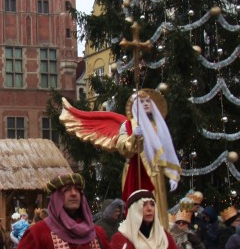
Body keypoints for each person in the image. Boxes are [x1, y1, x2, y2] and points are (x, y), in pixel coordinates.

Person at [59, 90, 180, 228]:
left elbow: (167, 151)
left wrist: (172, 173)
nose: (145, 104)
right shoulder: (128, 125)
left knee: (156, 205)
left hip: (154, 172)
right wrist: (134, 136)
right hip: (135, 171)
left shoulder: (158, 126)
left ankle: (159, 232)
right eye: (142, 102)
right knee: (136, 206)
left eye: (148, 101)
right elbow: (123, 147)